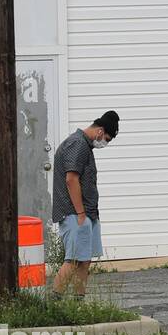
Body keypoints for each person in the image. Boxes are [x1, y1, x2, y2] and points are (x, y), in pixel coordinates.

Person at [50, 111, 120, 297]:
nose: (104, 143)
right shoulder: (78, 144)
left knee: (84, 259)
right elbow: (71, 179)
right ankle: (54, 302)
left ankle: (78, 302)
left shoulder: (84, 145)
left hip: (86, 213)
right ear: (99, 131)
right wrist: (81, 213)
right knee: (73, 259)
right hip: (75, 213)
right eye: (106, 138)